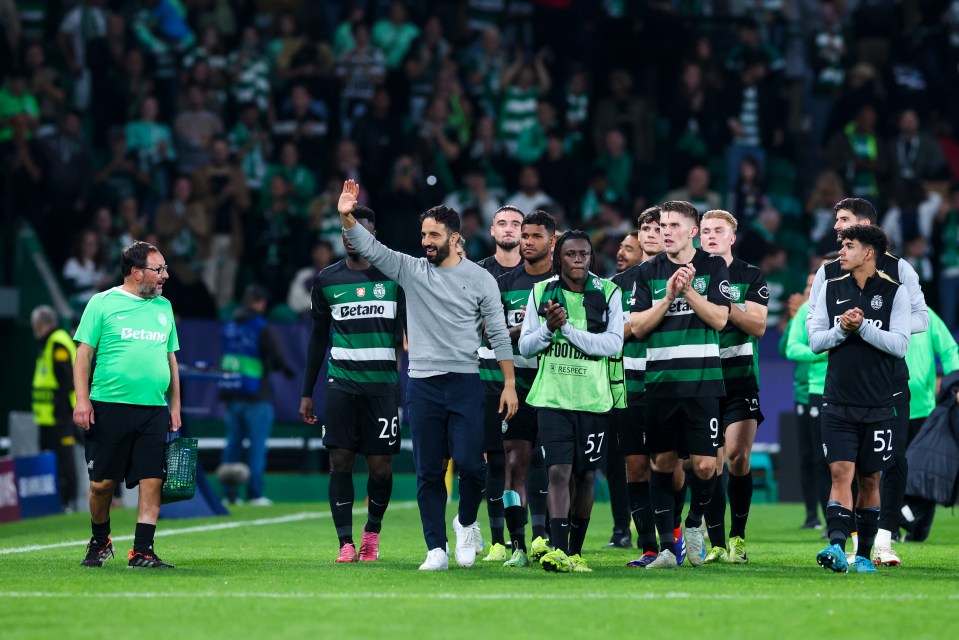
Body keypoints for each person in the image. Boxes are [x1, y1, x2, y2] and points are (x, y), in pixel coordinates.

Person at [337, 179, 518, 571]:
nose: (426, 242)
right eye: (423, 235)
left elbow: (500, 334)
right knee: (429, 470)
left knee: (472, 466)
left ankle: (466, 524)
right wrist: (346, 217)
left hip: (466, 382)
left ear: (455, 238)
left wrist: (508, 384)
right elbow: (371, 248)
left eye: (434, 235)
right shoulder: (412, 270)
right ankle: (436, 547)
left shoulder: (481, 278)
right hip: (423, 385)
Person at [806, 197, 928, 567]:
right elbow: (816, 330)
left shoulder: (899, 273)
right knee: (844, 470)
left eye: (843, 222)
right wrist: (846, 329)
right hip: (844, 383)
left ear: (865, 226)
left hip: (888, 382)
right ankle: (845, 545)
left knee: (887, 466)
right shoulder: (829, 276)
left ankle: (884, 542)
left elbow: (919, 320)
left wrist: (877, 326)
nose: (837, 229)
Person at [629, 200, 732, 569]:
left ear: (692, 231)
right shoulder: (647, 272)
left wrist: (688, 292)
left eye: (673, 225)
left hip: (703, 384)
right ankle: (670, 547)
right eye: (661, 225)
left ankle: (693, 524)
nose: (665, 231)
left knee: (705, 467)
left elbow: (721, 319)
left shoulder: (713, 266)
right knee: (663, 463)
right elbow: (638, 327)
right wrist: (669, 296)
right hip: (660, 384)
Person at [299, 205, 405, 563]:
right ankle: (345, 542)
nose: (350, 236)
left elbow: (405, 335)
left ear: (373, 236)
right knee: (340, 461)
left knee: (381, 467)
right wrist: (306, 392)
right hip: (341, 384)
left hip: (381, 387)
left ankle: (371, 534)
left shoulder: (394, 277)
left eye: (358, 229)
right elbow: (317, 339)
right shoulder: (327, 279)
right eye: (345, 229)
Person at [519, 230, 624, 573]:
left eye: (584, 254)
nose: (578, 259)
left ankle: (577, 551)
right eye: (571, 254)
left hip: (593, 400)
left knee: (585, 476)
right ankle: (558, 550)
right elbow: (525, 347)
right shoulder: (541, 292)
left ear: (592, 258)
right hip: (552, 397)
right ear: (558, 258)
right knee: (559, 472)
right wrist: (548, 329)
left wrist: (566, 331)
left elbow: (612, 345)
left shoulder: (608, 292)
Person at [73, 241, 182, 569]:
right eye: (158, 269)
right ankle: (100, 538)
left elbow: (171, 359)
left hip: (153, 409)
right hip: (108, 406)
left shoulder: (164, 308)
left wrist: (175, 406)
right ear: (137, 273)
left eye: (164, 268)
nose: (165, 275)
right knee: (102, 484)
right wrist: (82, 401)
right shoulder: (101, 303)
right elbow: (83, 355)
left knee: (152, 480)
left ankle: (142, 551)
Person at [619, 207, 689, 568]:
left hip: (668, 383)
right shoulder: (618, 284)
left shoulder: (679, 275)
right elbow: (624, 331)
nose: (651, 233)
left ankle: (674, 538)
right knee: (635, 466)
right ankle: (649, 546)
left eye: (657, 227)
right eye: (644, 228)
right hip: (629, 383)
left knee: (669, 465)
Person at [698, 210, 769, 564]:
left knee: (739, 458)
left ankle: (737, 536)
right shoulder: (692, 274)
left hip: (740, 379)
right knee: (710, 465)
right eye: (706, 230)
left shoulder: (749, 275)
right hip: (702, 381)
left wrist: (723, 306)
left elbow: (758, 326)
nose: (711, 236)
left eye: (718, 231)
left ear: (732, 237)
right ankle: (715, 543)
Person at [493, 210, 557, 568]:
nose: (527, 241)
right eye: (525, 236)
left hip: (556, 386)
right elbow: (490, 334)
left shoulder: (564, 283)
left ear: (552, 240)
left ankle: (545, 538)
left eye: (535, 236)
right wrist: (530, 328)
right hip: (516, 385)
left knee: (554, 465)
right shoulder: (503, 284)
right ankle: (518, 544)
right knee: (515, 462)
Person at [476, 204, 524, 559]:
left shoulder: (539, 273)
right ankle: (496, 540)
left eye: (516, 224)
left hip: (532, 379)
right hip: (487, 380)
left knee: (528, 461)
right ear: (492, 231)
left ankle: (533, 537)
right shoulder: (477, 274)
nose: (509, 229)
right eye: (502, 223)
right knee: (495, 461)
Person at [219, 284, 294, 507]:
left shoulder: (230, 326)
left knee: (232, 445)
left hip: (232, 393)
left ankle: (230, 495)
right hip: (257, 395)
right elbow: (278, 356)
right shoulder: (262, 326)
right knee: (257, 447)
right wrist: (286, 370)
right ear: (261, 303)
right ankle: (255, 494)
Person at [31, 305, 78, 512]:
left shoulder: (57, 343)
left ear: (41, 325)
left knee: (65, 460)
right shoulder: (48, 344)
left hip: (61, 416)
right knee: (52, 461)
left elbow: (66, 380)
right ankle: (55, 501)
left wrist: (62, 412)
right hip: (47, 417)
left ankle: (69, 501)